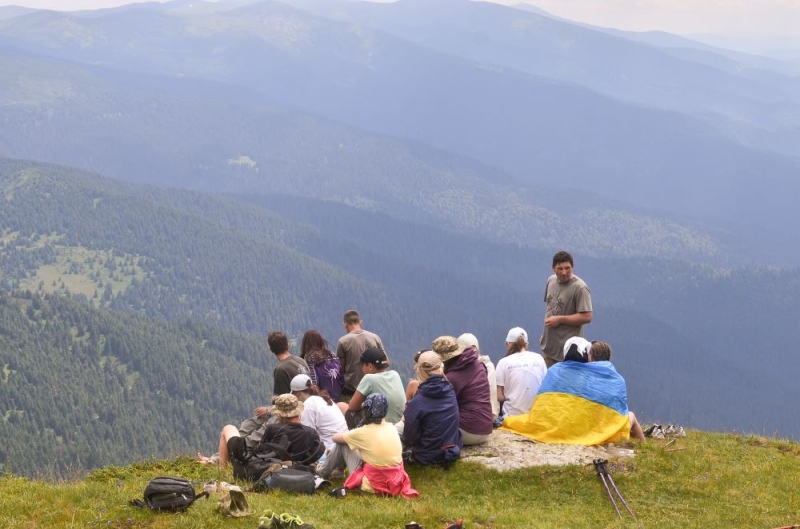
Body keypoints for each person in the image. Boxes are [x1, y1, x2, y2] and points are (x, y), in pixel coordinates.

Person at [501, 340, 645, 444]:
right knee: (630, 415)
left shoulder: (555, 371)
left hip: (559, 427)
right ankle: (644, 445)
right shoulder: (612, 378)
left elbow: (542, 404)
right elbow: (618, 408)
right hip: (602, 429)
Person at [318, 393, 418, 498]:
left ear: (366, 411)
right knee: (350, 443)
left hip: (372, 483)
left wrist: (351, 438)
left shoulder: (362, 432)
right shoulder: (391, 427)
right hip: (395, 481)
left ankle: (322, 473)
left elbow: (335, 438)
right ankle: (336, 471)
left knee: (343, 444)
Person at [216, 394, 324, 468]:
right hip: (296, 469)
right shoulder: (311, 432)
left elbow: (260, 451)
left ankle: (222, 469)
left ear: (279, 414)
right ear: (298, 412)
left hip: (268, 467)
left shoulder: (273, 429)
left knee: (228, 428)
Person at [402, 351, 462, 466]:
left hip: (427, 456)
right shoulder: (450, 391)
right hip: (452, 448)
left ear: (420, 371)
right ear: (441, 368)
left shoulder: (418, 401)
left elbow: (409, 437)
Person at [431, 336, 493, 445]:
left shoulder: (451, 377)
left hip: (465, 431)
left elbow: (436, 405)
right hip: (486, 428)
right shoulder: (479, 365)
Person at [539, 251, 593, 368]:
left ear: (573, 266)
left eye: (568, 268)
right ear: (553, 268)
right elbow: (551, 308)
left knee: (563, 386)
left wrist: (560, 320)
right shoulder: (551, 281)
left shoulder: (580, 288)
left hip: (569, 355)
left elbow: (587, 316)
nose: (564, 272)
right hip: (549, 349)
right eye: (560, 268)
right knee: (547, 385)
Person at [339, 347, 406, 426]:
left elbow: (352, 406)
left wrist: (365, 404)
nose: (362, 368)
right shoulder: (395, 374)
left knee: (341, 406)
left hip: (381, 426)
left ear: (370, 366)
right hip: (400, 424)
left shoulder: (369, 378)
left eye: (363, 365)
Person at [495, 327, 547, 418]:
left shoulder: (503, 362)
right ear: (526, 344)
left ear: (508, 343)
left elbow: (499, 396)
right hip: (535, 415)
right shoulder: (539, 358)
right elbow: (545, 387)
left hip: (511, 416)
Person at [289, 374, 348, 449]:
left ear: (298, 394)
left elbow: (307, 435)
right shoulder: (323, 398)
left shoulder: (308, 404)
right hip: (343, 443)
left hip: (331, 448)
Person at [336, 309, 385, 397]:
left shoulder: (343, 341)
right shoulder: (375, 337)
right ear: (360, 322)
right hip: (374, 387)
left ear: (345, 325)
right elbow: (386, 362)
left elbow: (340, 369)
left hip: (351, 390)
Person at [457, 333, 499, 418]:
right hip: (487, 414)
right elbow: (492, 389)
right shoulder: (488, 365)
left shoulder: (458, 367)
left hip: (465, 415)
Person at [300, 329, 345, 402]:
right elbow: (341, 379)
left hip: (323, 398)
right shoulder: (332, 354)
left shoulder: (309, 357)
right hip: (337, 396)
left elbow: (313, 381)